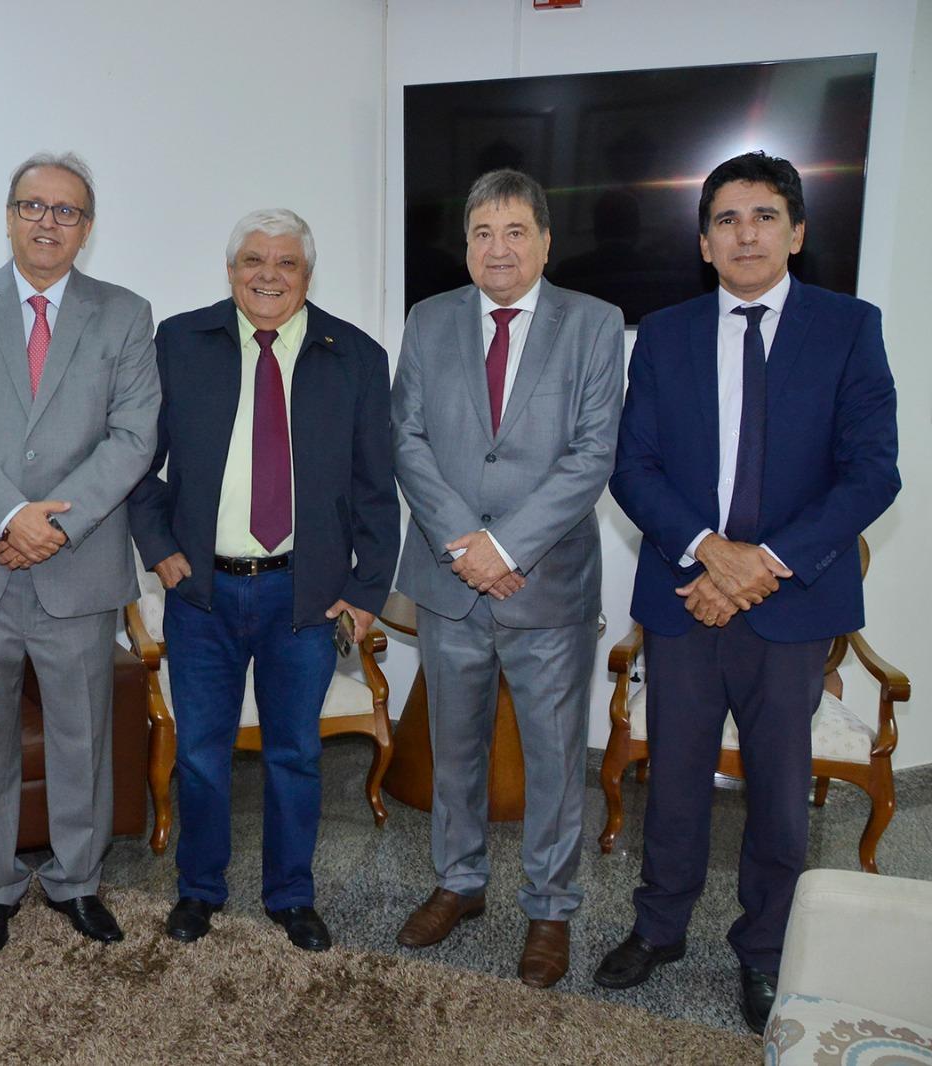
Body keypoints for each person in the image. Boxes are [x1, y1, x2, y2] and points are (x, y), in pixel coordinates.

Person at [597, 151, 899, 1031]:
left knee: (776, 788)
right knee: (676, 777)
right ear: (704, 242)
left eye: (764, 216)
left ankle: (765, 950)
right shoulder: (666, 331)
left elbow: (871, 473)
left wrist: (759, 564)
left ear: (797, 232)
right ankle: (658, 929)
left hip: (794, 603)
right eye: (726, 219)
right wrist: (706, 553)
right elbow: (635, 466)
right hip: (686, 595)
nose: (746, 233)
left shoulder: (849, 327)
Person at [128, 209, 400, 951]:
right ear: (231, 269)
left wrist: (366, 591)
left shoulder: (358, 357)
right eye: (254, 259)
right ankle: (199, 890)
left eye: (286, 262)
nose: (268, 274)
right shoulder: (180, 343)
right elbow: (136, 463)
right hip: (202, 593)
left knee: (295, 756)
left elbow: (378, 492)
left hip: (305, 596)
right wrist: (159, 549)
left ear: (308, 275)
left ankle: (290, 896)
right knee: (203, 753)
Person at [0, 151, 160, 956]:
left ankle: (78, 881)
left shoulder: (125, 314)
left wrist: (54, 525)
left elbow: (134, 437)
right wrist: (9, 516)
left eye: (66, 211)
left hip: (78, 564)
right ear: (10, 213)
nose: (47, 222)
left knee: (82, 735)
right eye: (33, 206)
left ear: (86, 229)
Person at [390, 168, 624, 988]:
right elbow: (407, 439)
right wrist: (464, 544)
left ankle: (551, 907)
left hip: (546, 583)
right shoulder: (429, 319)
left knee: (557, 758)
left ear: (546, 241)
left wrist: (506, 549)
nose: (498, 248)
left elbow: (593, 454)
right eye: (482, 232)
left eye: (515, 231)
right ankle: (458, 883)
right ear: (465, 244)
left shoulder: (594, 324)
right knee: (455, 745)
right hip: (451, 580)